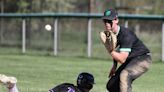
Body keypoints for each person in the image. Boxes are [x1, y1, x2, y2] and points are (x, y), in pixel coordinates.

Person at [101, 8, 152, 92]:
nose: (107, 23)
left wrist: (110, 50)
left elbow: (122, 58)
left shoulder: (125, 34)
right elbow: (116, 50)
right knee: (111, 85)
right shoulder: (112, 35)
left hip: (143, 59)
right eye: (105, 21)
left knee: (125, 75)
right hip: (131, 60)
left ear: (116, 20)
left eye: (109, 21)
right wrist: (114, 66)